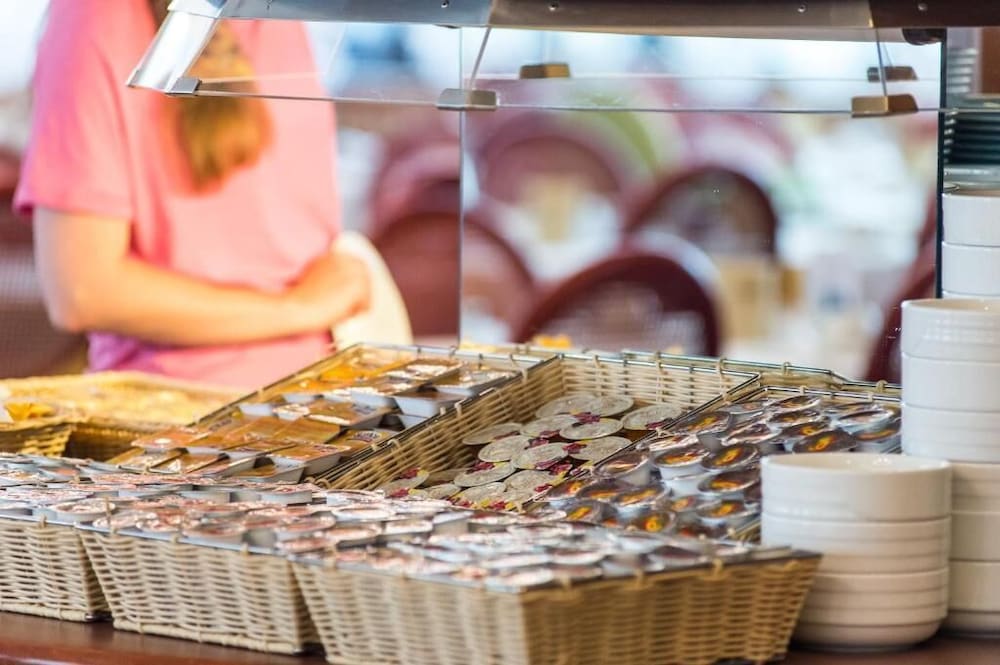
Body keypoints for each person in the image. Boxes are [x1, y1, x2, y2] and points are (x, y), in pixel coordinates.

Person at [14, 0, 370, 389]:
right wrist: (300, 308)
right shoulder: (95, 17)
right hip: (183, 401)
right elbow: (83, 290)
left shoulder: (281, 16)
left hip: (322, 380)